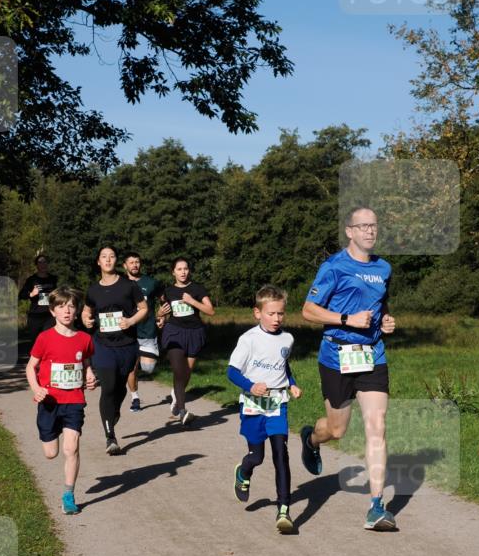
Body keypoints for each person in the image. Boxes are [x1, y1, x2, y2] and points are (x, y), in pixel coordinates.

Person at [300, 206, 398, 531]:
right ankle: (312, 440)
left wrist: (385, 321)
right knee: (337, 430)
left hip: (372, 354)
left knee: (377, 426)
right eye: (363, 226)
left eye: (374, 225)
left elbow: (380, 303)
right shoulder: (333, 267)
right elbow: (308, 310)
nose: (370, 231)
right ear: (350, 231)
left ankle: (376, 506)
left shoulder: (384, 268)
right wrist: (346, 320)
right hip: (337, 355)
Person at [228, 285, 302, 534]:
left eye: (280, 313)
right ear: (257, 313)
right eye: (271, 313)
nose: (276, 319)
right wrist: (250, 386)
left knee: (281, 453)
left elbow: (282, 365)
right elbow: (231, 371)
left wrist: (291, 384)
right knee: (257, 456)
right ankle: (244, 470)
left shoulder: (287, 339)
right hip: (252, 404)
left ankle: (284, 509)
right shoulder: (248, 339)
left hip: (277, 404)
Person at [26, 287, 96, 515]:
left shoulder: (84, 339)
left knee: (71, 448)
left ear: (76, 311)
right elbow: (31, 366)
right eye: (61, 306)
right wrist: (36, 388)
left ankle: (68, 494)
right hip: (49, 402)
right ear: (52, 311)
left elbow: (85, 363)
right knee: (51, 453)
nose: (66, 311)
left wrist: (89, 375)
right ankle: (52, 431)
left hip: (74, 401)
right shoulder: (45, 338)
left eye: (71, 306)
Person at [82, 244, 148, 454]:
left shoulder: (128, 286)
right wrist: (86, 320)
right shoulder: (93, 289)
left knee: (119, 389)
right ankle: (110, 437)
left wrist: (130, 321)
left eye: (111, 256)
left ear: (115, 261)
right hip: (102, 345)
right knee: (108, 387)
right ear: (98, 262)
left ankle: (114, 410)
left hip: (127, 345)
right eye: (104, 256)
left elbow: (144, 309)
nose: (108, 260)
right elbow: (86, 311)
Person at [160, 257, 214, 426]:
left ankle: (177, 397)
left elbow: (210, 311)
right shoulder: (168, 292)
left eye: (185, 268)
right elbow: (163, 313)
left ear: (189, 270)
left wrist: (192, 301)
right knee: (178, 369)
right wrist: (160, 315)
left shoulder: (197, 289)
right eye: (179, 269)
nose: (183, 272)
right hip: (174, 332)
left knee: (186, 372)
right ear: (173, 272)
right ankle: (183, 411)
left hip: (194, 333)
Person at [122, 252, 170, 413]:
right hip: (127, 331)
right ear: (125, 265)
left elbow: (164, 300)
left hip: (148, 329)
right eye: (131, 262)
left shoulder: (151, 283)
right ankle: (135, 397)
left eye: (137, 262)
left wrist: (163, 316)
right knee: (131, 367)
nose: (134, 265)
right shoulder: (119, 283)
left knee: (148, 369)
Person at [18, 254, 58, 341]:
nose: (43, 264)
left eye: (45, 262)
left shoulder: (54, 279)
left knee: (49, 340)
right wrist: (31, 294)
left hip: (50, 315)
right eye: (40, 262)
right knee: (36, 342)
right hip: (35, 315)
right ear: (36, 265)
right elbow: (21, 295)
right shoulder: (31, 280)